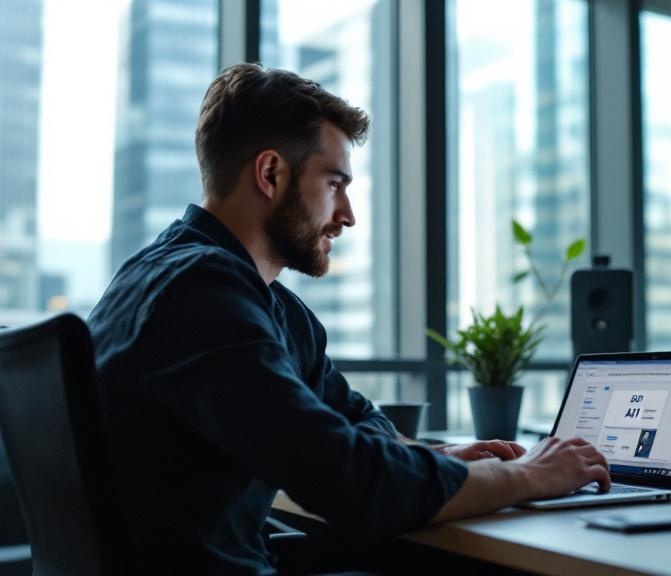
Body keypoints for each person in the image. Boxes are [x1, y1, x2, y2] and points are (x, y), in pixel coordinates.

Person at [87, 63, 610, 575]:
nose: (348, 214)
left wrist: (446, 462)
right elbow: (347, 480)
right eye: (335, 184)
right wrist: (529, 476)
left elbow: (354, 420)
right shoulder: (199, 293)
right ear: (270, 174)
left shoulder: (252, 300)